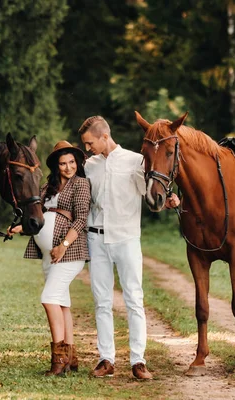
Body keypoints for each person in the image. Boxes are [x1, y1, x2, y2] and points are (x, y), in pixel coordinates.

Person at [79, 115, 179, 380]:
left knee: (134, 299)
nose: (88, 148)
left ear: (104, 136)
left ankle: (138, 360)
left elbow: (150, 192)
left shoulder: (136, 161)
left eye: (90, 143)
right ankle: (106, 359)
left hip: (126, 238)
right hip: (96, 239)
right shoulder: (89, 166)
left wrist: (168, 199)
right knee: (102, 301)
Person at [9, 140, 91, 376]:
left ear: (77, 163)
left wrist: (63, 246)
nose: (68, 167)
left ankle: (58, 360)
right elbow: (40, 215)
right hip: (48, 254)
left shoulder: (81, 185)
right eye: (63, 163)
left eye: (72, 162)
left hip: (69, 252)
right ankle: (71, 356)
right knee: (62, 303)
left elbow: (80, 219)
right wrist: (21, 229)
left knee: (49, 297)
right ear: (57, 166)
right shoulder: (48, 187)